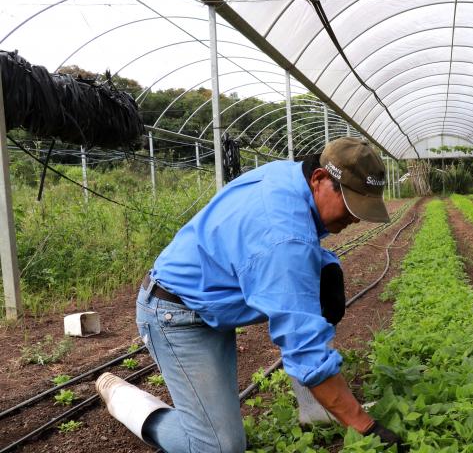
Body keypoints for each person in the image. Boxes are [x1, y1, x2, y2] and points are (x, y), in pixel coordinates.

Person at [96, 137, 404, 452]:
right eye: (351, 206)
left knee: (322, 285)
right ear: (320, 179)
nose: (355, 219)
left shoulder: (291, 178)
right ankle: (128, 401)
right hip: (175, 312)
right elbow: (303, 344)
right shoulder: (283, 236)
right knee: (219, 447)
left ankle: (317, 410)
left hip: (211, 297)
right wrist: (367, 428)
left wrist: (327, 266)